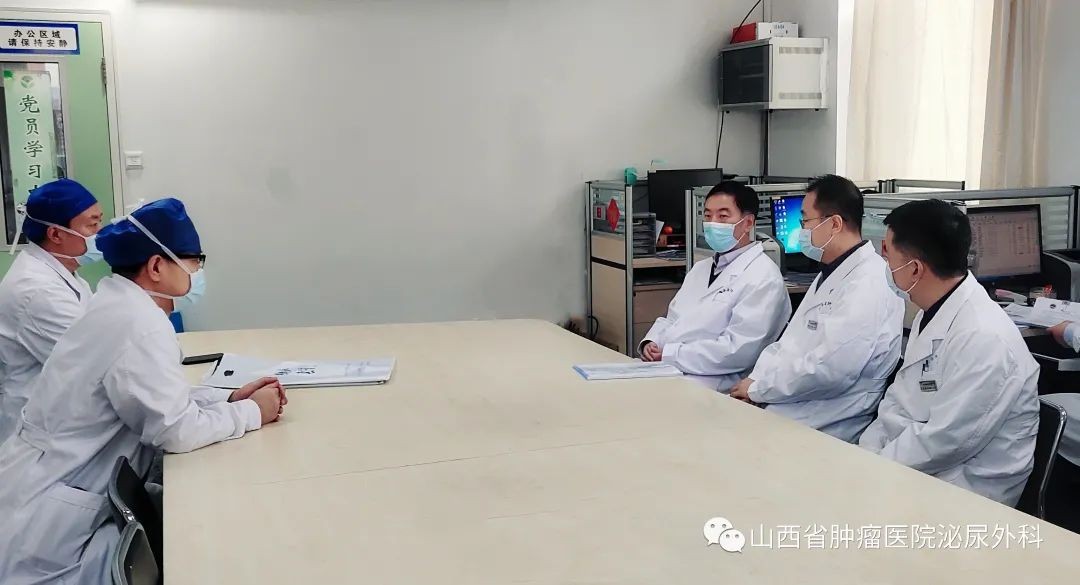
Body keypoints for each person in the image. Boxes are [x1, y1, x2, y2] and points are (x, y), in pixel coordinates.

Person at [0, 198, 287, 584]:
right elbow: (174, 430)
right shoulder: (140, 324)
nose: (198, 272)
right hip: (52, 517)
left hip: (49, 480)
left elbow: (156, 396)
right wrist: (252, 413)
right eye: (194, 262)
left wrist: (229, 398)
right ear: (156, 267)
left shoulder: (118, 304)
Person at [859, 199, 1039, 506]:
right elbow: (897, 404)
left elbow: (946, 442)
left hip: (967, 490)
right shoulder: (932, 310)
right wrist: (865, 455)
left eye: (888, 254)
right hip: (916, 466)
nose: (884, 263)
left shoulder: (984, 337)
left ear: (914, 269)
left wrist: (871, 470)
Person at [730, 175, 904, 443]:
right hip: (787, 401)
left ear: (834, 224)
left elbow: (831, 370)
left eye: (805, 221)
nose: (801, 230)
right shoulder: (833, 272)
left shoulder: (868, 281)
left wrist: (759, 389)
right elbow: (788, 345)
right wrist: (755, 383)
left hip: (826, 418)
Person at [640, 181, 791, 390]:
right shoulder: (700, 269)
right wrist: (651, 342)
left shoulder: (763, 277)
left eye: (723, 216)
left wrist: (670, 354)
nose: (713, 223)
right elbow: (672, 319)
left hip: (716, 382)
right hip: (669, 367)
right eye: (708, 215)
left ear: (748, 223)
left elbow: (738, 351)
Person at [0, 179, 104, 443]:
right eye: (92, 225)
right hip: (41, 436)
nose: (100, 233)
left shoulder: (65, 275)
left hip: (61, 420)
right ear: (56, 234)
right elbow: (97, 366)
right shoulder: (36, 290)